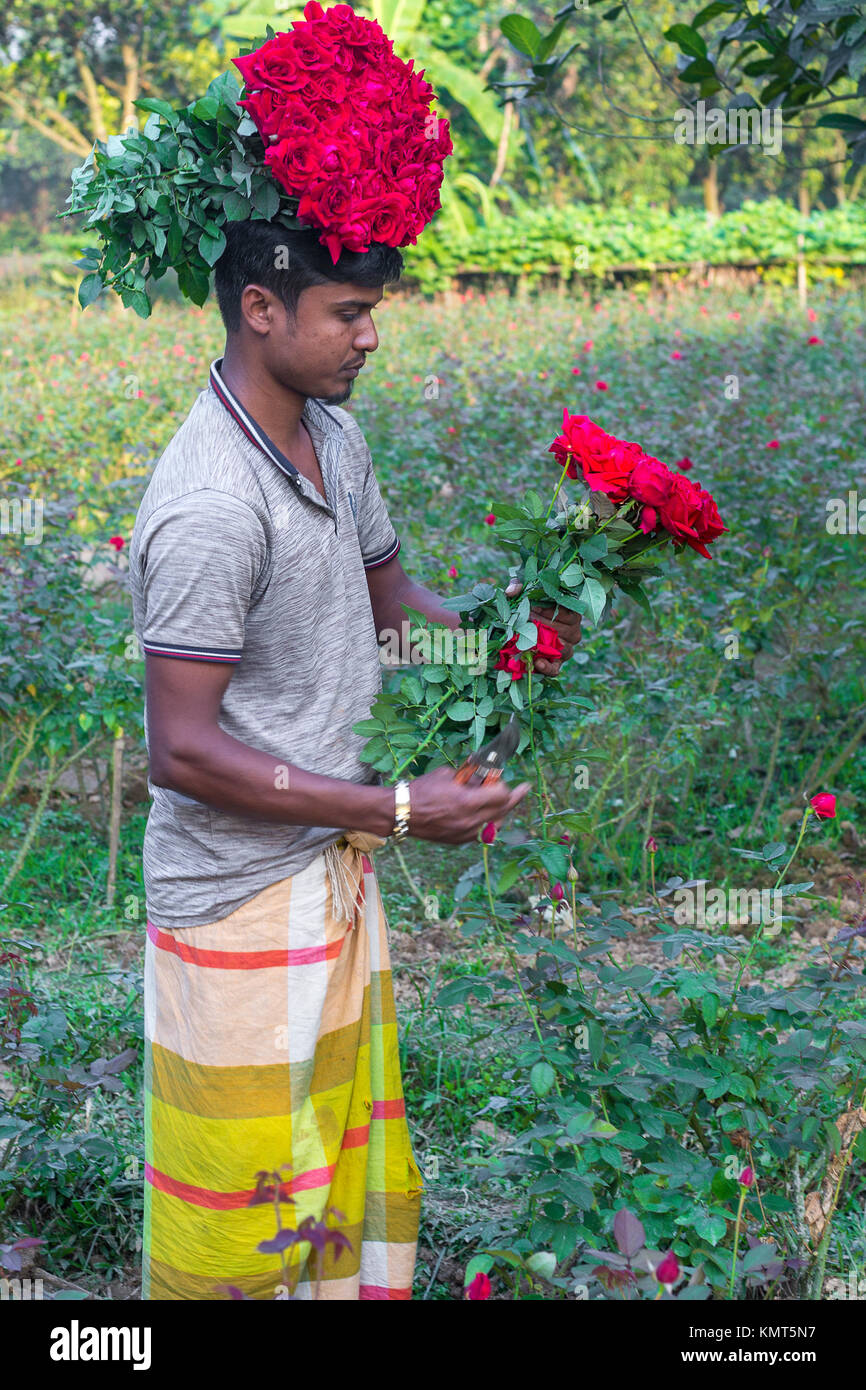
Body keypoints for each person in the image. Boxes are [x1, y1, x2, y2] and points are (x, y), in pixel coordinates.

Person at [128, 218, 582, 1301]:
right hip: (234, 901)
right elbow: (182, 750)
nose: (369, 337)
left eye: (371, 310)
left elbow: (390, 613)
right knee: (243, 1219)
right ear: (260, 309)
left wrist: (510, 641)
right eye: (348, 312)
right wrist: (391, 803)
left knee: (328, 1186)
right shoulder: (208, 505)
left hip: (324, 869)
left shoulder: (331, 439)